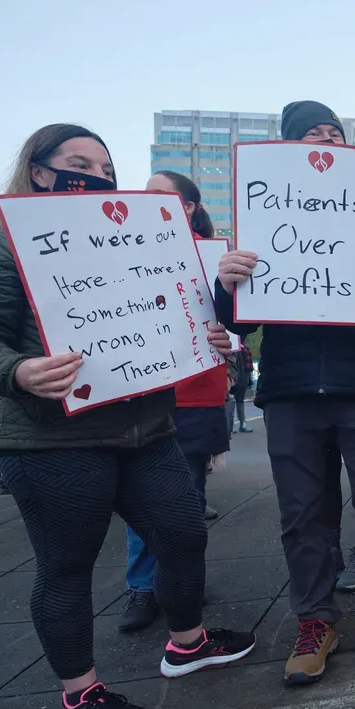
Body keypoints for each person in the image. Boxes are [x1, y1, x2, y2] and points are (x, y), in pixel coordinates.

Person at [0, 123, 254, 709]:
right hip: (52, 441)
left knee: (184, 530)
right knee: (67, 565)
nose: (99, 176)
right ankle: (77, 696)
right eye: (79, 162)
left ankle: (187, 644)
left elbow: (181, 314)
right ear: (38, 170)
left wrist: (208, 337)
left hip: (148, 429)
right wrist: (17, 371)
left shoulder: (142, 242)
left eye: (107, 168)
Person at [215, 100, 355, 684]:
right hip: (290, 392)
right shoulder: (261, 221)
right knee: (304, 515)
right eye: (313, 133)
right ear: (287, 148)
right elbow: (237, 323)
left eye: (336, 133)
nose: (327, 140)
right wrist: (227, 279)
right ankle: (316, 619)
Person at [118, 171, 232, 632]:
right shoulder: (117, 250)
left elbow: (235, 317)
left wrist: (233, 332)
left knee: (187, 496)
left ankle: (181, 581)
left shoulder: (216, 254)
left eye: (157, 195)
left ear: (187, 207)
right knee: (140, 497)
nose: (143, 201)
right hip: (140, 392)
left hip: (197, 392)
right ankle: (143, 587)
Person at [232, 339, 254, 433]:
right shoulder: (244, 348)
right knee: (238, 401)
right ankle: (241, 424)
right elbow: (249, 367)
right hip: (240, 379)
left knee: (233, 401)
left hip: (236, 378)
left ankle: (233, 425)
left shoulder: (235, 347)